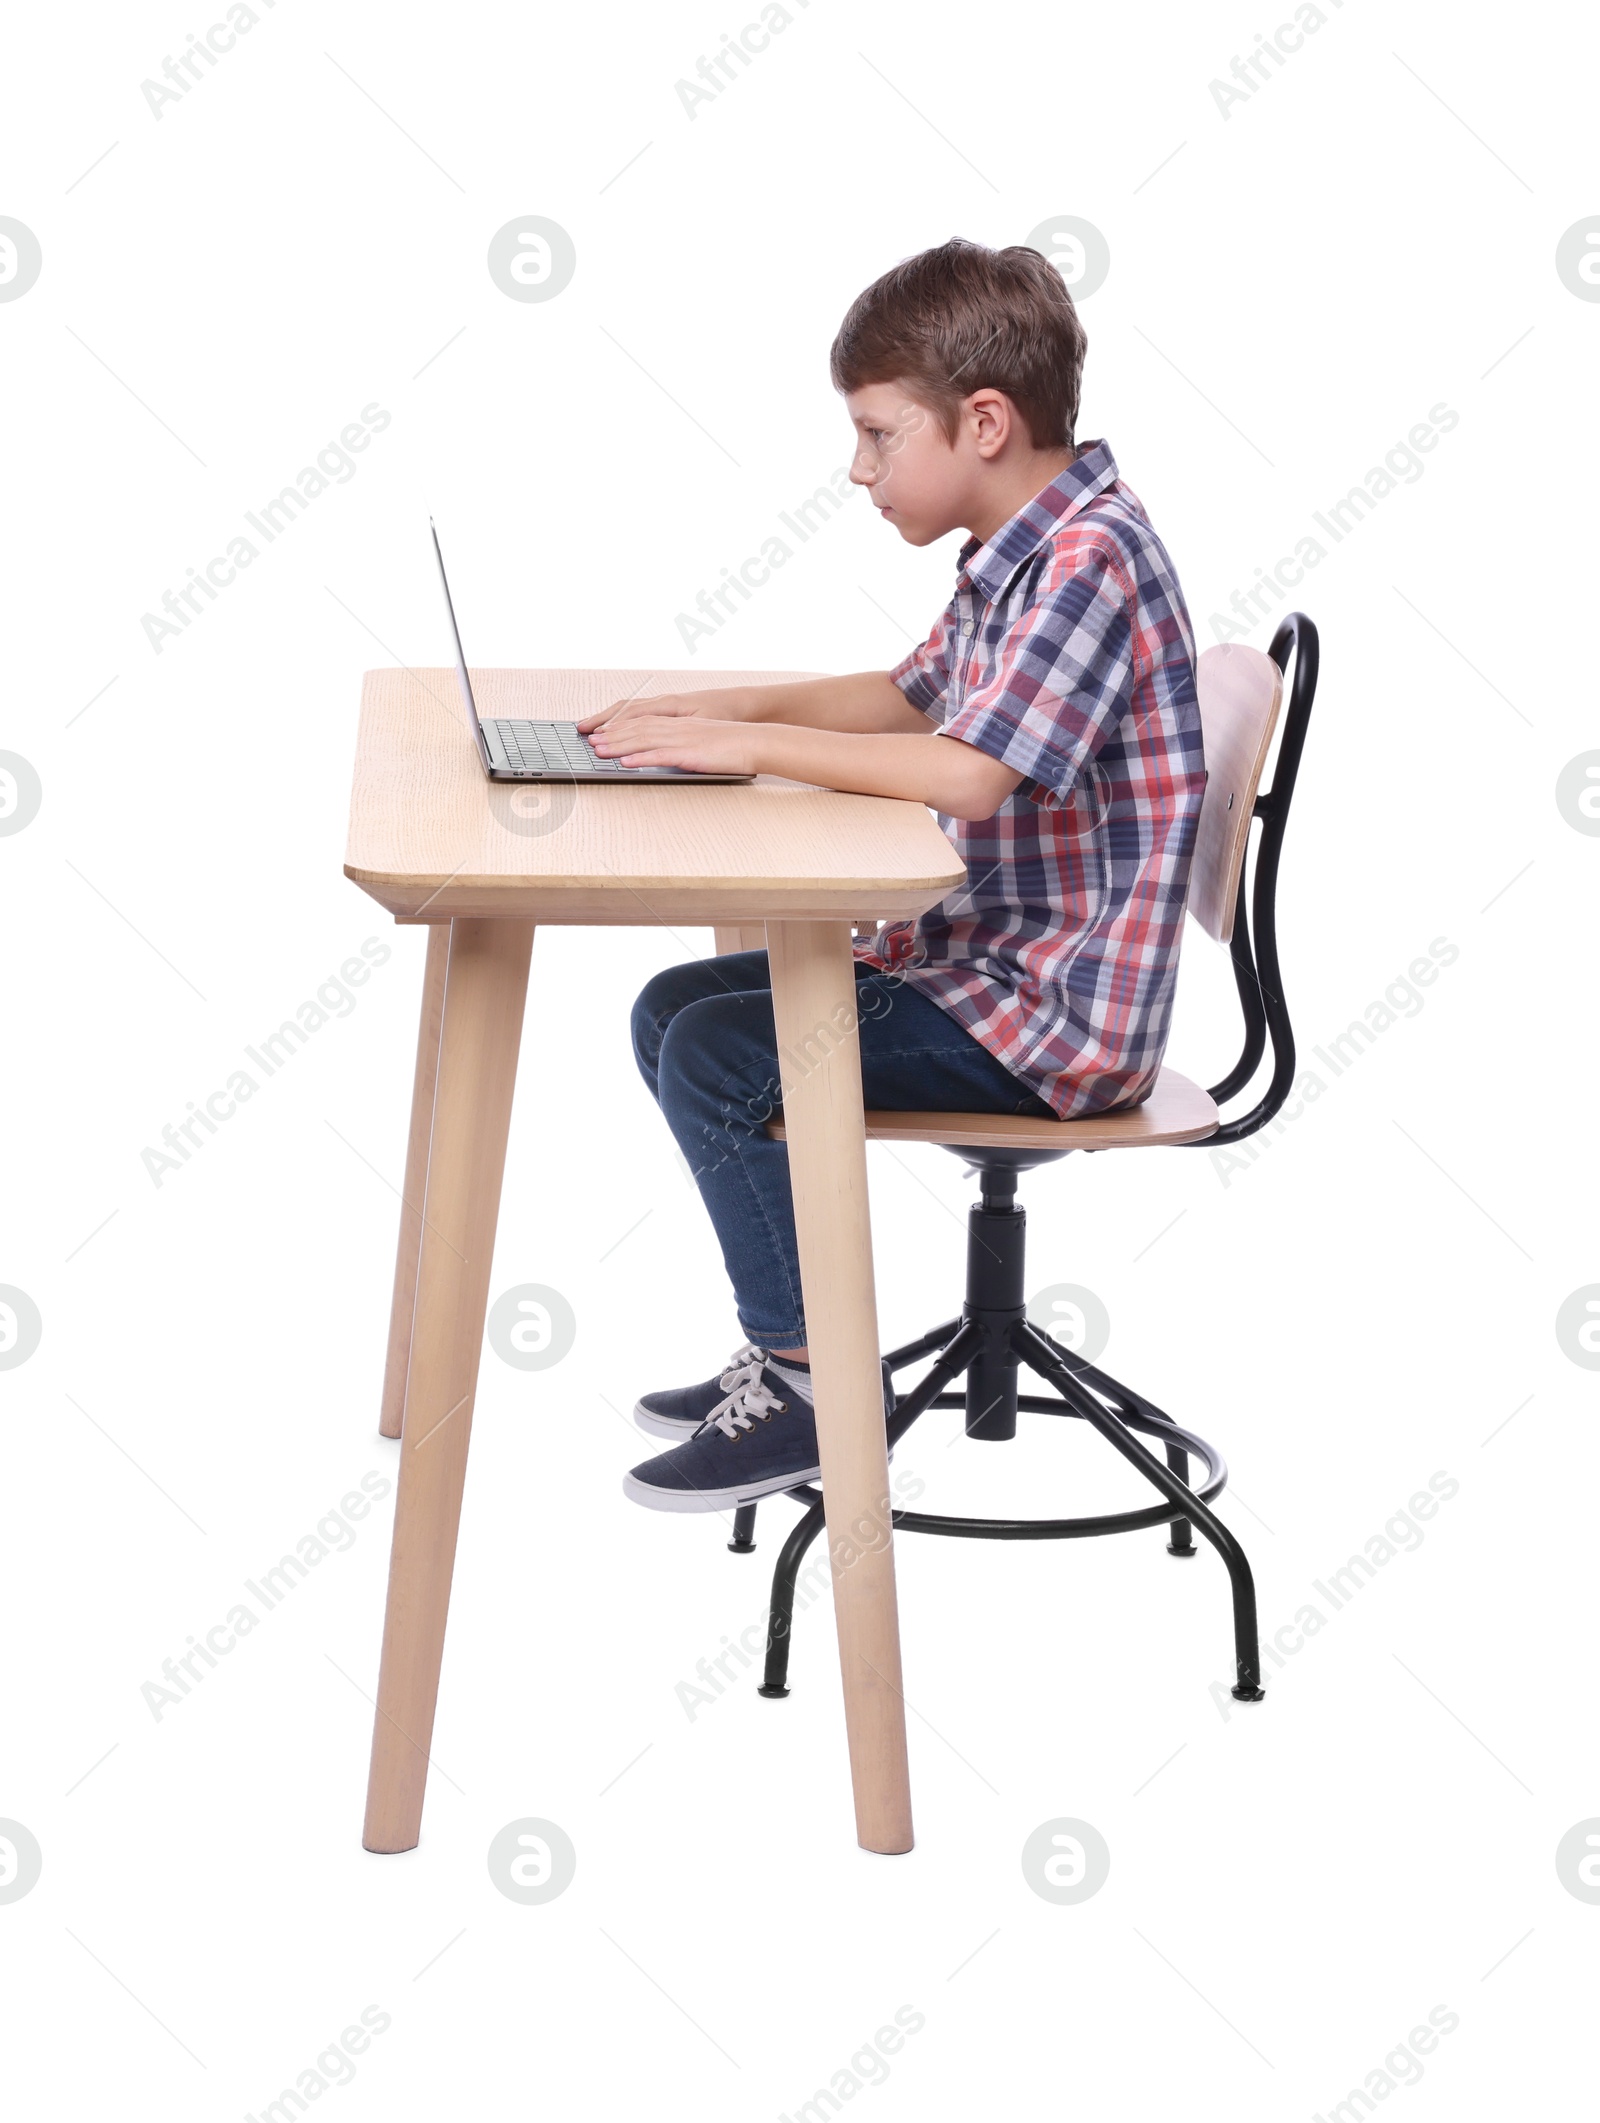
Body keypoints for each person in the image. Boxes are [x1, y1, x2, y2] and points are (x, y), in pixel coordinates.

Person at [576, 237, 1204, 1512]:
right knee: (672, 1013)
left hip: (1052, 1021)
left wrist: (743, 746)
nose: (857, 469)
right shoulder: (1020, 551)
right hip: (988, 965)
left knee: (718, 1057)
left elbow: (966, 770)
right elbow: (903, 695)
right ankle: (791, 1340)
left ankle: (812, 1386)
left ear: (983, 421)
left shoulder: (1089, 559)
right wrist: (715, 704)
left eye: (875, 435)